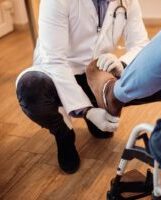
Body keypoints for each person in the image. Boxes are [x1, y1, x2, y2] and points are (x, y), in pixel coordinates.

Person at [16, 0, 149, 174]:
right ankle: (63, 132)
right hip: (58, 74)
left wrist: (122, 63)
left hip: (95, 72)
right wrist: (87, 111)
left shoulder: (128, 2)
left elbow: (141, 44)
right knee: (30, 88)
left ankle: (97, 104)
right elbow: (55, 60)